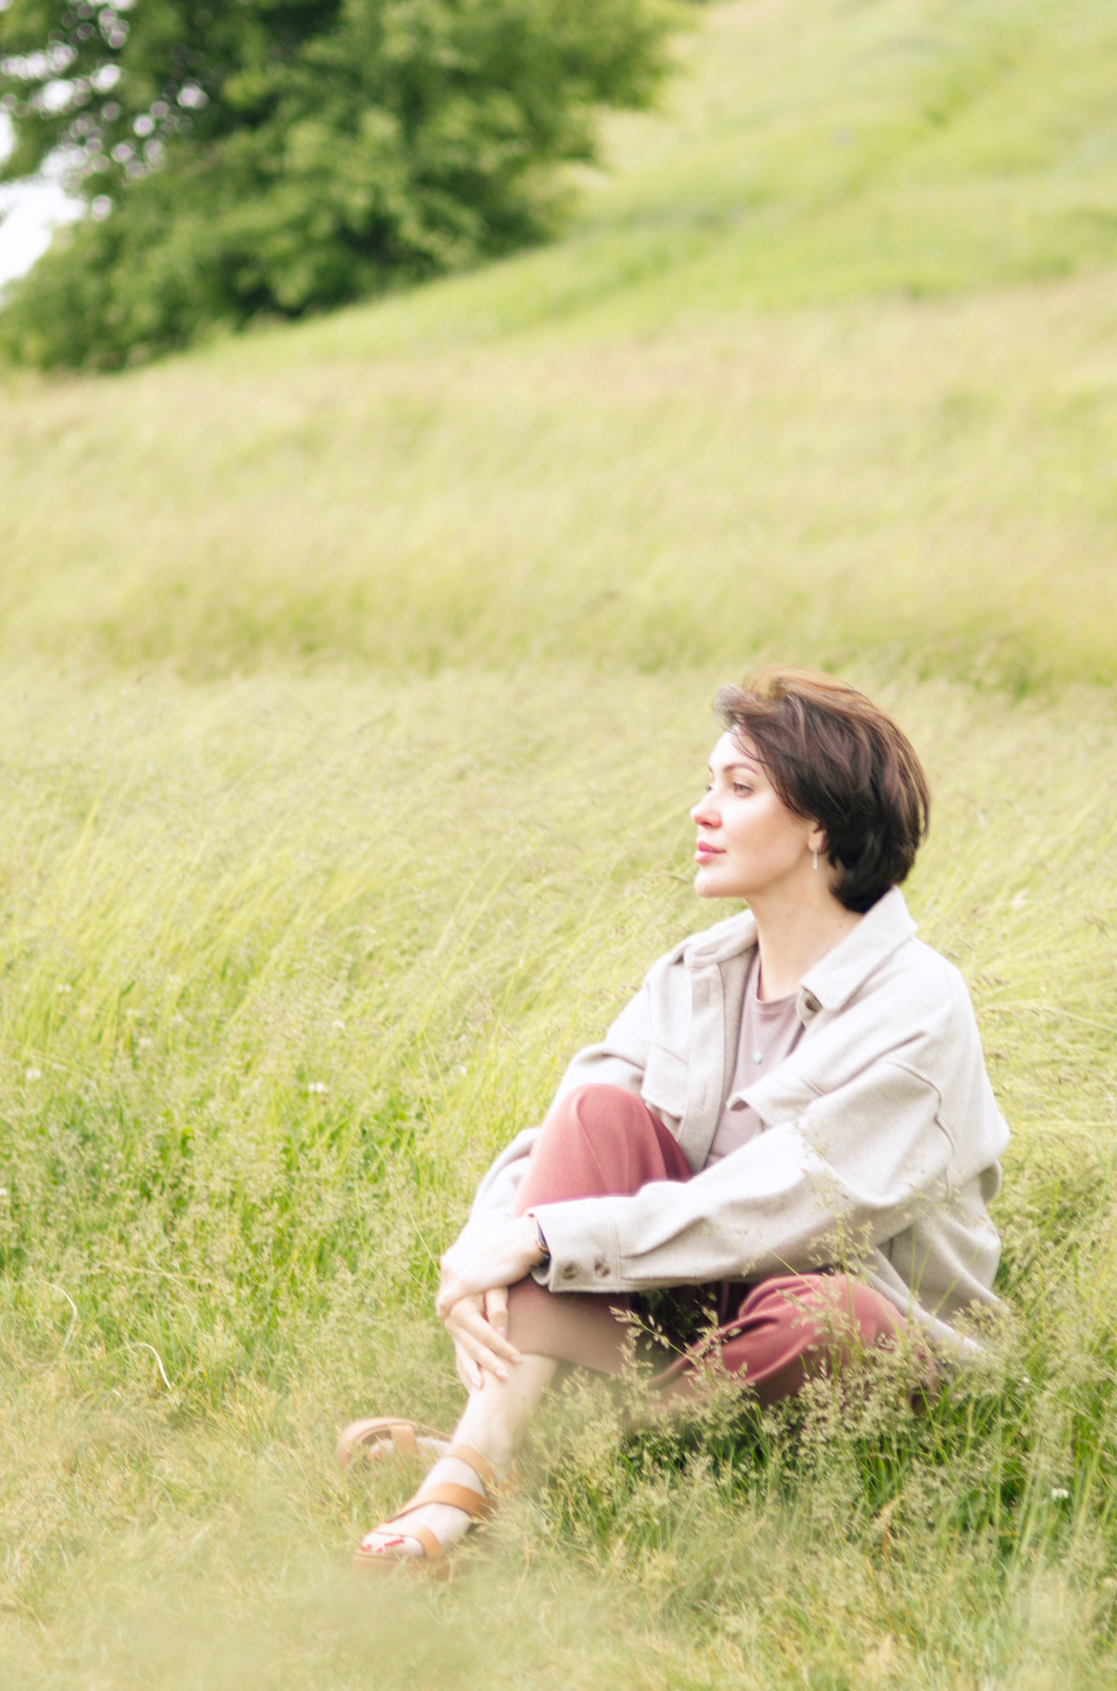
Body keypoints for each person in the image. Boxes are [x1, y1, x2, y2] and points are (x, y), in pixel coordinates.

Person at [346, 670, 1010, 1570]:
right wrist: (490, 1245)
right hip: (686, 1299)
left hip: (835, 1323)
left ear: (821, 826)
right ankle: (476, 1467)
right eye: (708, 784)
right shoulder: (699, 971)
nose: (702, 811)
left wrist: (547, 1236)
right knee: (599, 1112)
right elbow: (565, 1143)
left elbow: (793, 1202)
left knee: (834, 1318)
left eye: (739, 790)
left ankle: (514, 1463)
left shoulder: (919, 1005)